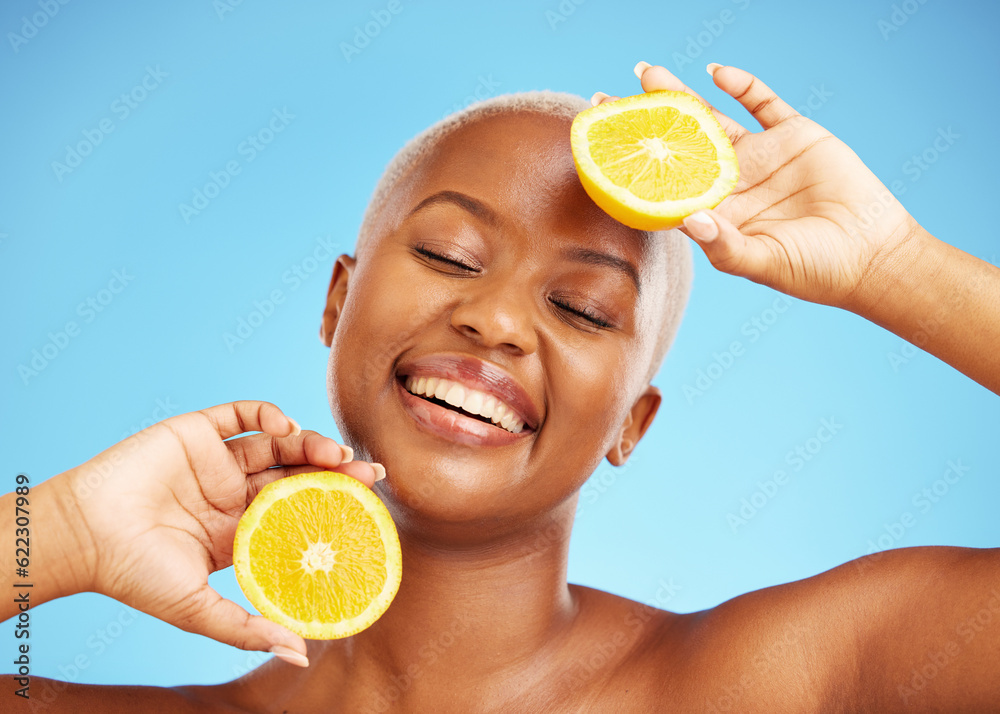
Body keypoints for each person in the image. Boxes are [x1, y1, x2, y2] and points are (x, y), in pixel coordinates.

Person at [3, 60, 998, 712]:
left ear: (631, 425)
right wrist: (54, 536)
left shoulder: (780, 682)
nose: (499, 321)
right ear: (335, 301)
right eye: (448, 253)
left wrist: (894, 267)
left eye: (585, 311)